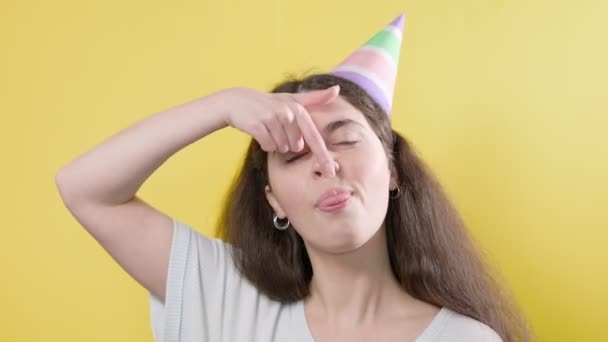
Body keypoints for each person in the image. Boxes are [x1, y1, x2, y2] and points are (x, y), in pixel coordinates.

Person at [55, 14, 531, 342]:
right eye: (294, 153)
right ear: (274, 201)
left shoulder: (465, 339)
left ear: (392, 169)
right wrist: (222, 106)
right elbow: (86, 190)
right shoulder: (225, 294)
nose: (326, 162)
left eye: (344, 138)